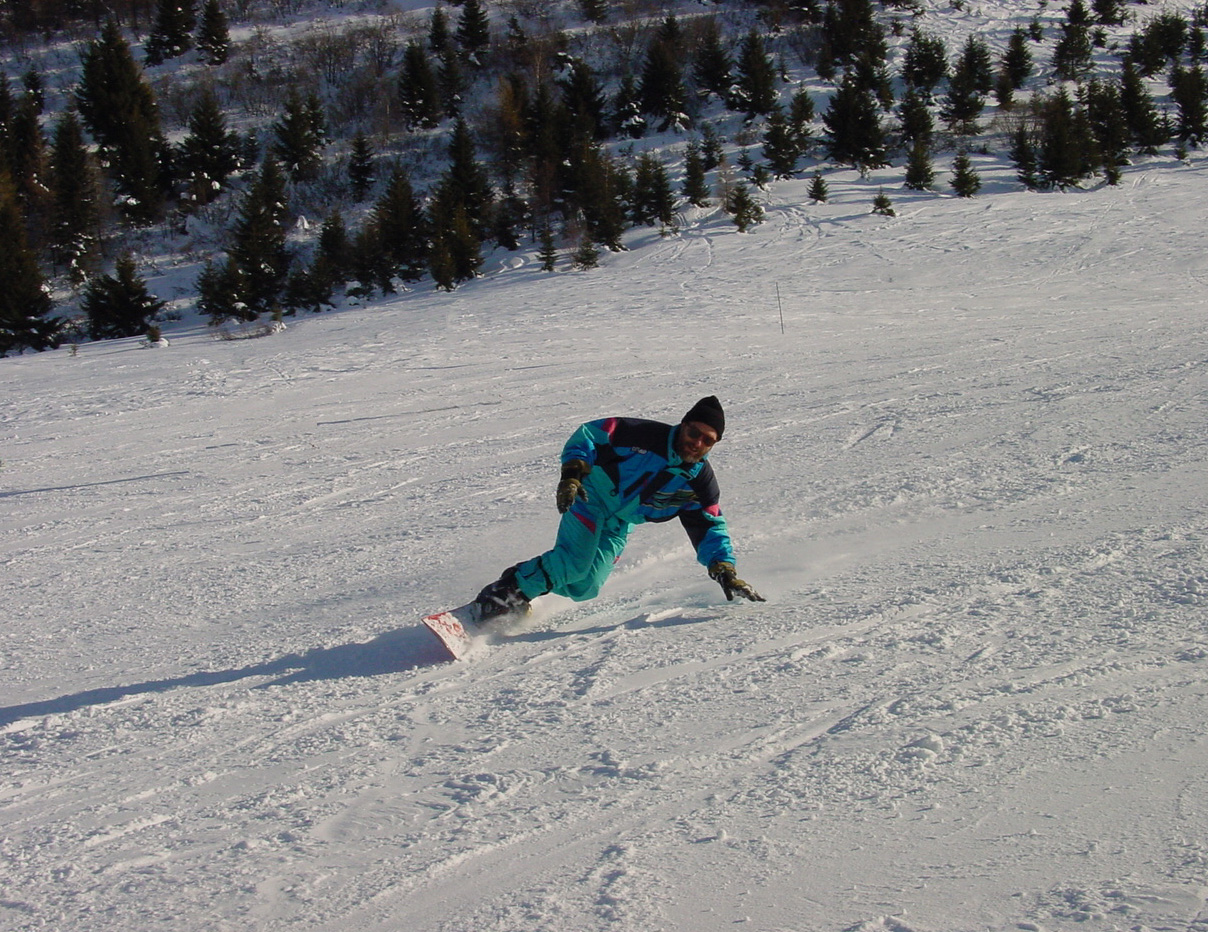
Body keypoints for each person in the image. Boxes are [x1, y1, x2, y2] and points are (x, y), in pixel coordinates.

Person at [474, 396, 765, 621]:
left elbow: (710, 525)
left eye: (707, 440)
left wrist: (724, 569)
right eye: (694, 433)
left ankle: (532, 582)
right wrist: (572, 475)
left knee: (586, 586)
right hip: (590, 499)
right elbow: (589, 435)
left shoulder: (698, 483)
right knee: (574, 563)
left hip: (619, 522)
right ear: (683, 425)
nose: (697, 443)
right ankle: (506, 593)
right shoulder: (641, 436)